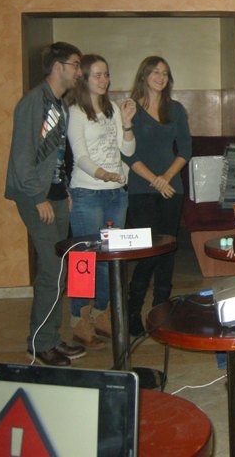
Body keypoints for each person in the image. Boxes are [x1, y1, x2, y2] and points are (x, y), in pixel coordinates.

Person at [5, 41, 87, 367]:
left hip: (55, 195)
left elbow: (57, 156)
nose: (79, 71)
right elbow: (22, 155)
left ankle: (51, 337)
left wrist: (62, 190)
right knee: (52, 269)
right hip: (34, 196)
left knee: (60, 269)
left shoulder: (59, 105)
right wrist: (38, 196)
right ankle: (39, 344)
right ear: (58, 67)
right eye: (75, 65)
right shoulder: (33, 102)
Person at [66, 54, 137, 349]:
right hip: (87, 191)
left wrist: (127, 123)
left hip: (115, 193)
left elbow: (127, 150)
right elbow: (80, 156)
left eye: (106, 74)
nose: (104, 80)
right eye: (97, 75)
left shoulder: (112, 110)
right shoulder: (76, 112)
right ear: (83, 78)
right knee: (85, 259)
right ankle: (79, 319)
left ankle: (101, 313)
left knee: (109, 258)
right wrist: (103, 174)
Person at [123, 56, 191, 337]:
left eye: (164, 73)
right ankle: (132, 311)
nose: (160, 77)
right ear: (144, 75)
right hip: (141, 189)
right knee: (148, 253)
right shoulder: (130, 109)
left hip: (172, 188)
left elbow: (185, 150)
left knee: (167, 250)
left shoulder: (176, 109)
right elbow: (127, 155)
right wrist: (155, 180)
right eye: (154, 72)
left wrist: (166, 178)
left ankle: (161, 310)